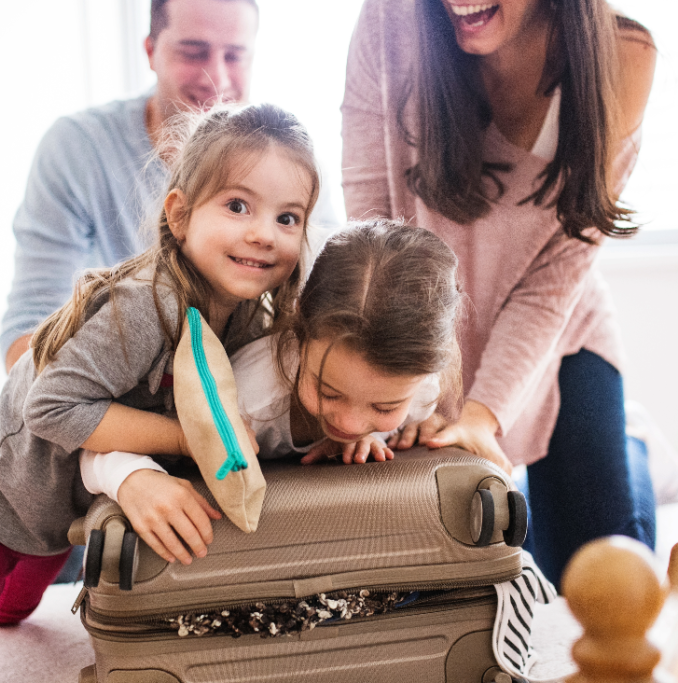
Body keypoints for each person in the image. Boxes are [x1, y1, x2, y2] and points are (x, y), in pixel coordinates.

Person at [0, 103, 321, 683]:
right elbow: (50, 407)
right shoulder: (146, 304)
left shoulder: (251, 316)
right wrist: (184, 436)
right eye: (237, 205)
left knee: (11, 611)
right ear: (179, 215)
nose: (264, 233)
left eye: (288, 217)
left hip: (57, 513)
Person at [340, 0, 657, 588]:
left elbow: (553, 283)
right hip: (425, 328)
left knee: (600, 574)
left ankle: (634, 447)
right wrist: (418, 383)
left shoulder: (621, 59)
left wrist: (482, 415)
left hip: (559, 334)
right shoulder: (389, 23)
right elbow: (373, 224)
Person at [81, 218, 467, 564]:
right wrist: (130, 478)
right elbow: (95, 444)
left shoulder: (420, 388)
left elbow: (411, 412)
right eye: (329, 393)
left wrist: (391, 431)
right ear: (299, 331)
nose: (350, 422)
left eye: (385, 405)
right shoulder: (248, 396)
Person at [0, 0, 261, 373]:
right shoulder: (77, 149)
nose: (216, 77)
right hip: (110, 400)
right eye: (193, 53)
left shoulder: (284, 158)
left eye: (234, 56)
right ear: (151, 52)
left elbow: (326, 295)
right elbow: (28, 335)